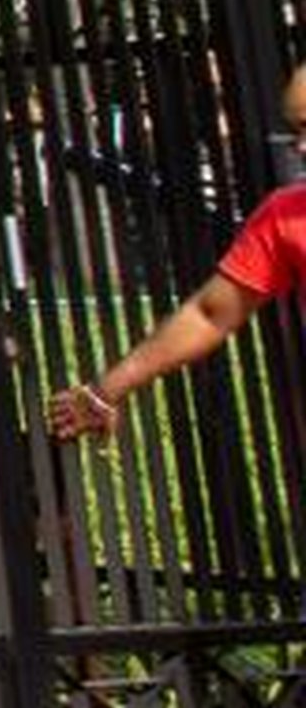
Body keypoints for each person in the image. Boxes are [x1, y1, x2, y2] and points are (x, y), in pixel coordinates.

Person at [44, 59, 306, 443]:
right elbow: (208, 313)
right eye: (298, 130)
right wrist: (105, 390)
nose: (300, 146)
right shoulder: (283, 218)